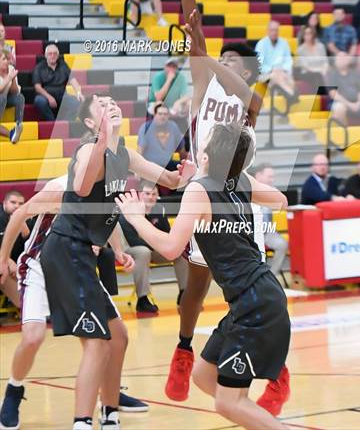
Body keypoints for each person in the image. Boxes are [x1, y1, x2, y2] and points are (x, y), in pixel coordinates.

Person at [160, 0, 290, 417]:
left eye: (234, 62)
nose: (224, 64)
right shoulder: (203, 85)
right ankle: (184, 348)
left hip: (235, 201)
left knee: (243, 282)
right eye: (222, 60)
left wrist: (208, 52)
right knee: (193, 286)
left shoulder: (248, 106)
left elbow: (222, 66)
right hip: (203, 190)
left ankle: (277, 370)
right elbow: (193, 25)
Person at [116, 124, 291, 430]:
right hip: (253, 298)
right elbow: (280, 200)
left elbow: (171, 249)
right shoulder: (239, 181)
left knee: (227, 402)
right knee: (203, 376)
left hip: (255, 304)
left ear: (208, 157)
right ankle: (256, 417)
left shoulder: (199, 190)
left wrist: (136, 219)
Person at [38, 93, 195, 430]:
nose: (111, 104)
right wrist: (103, 139)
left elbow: (169, 180)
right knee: (97, 343)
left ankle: (109, 414)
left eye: (113, 101)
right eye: (102, 105)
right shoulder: (85, 148)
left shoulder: (125, 154)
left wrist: (186, 174)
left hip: (83, 253)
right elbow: (81, 187)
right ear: (92, 123)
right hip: (65, 249)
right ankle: (82, 422)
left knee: (118, 336)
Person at [0, 176, 148, 430]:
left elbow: (107, 219)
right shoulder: (60, 190)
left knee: (115, 336)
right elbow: (18, 216)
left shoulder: (106, 186)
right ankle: (14, 390)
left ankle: (108, 393)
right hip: (39, 265)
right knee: (33, 337)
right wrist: (3, 259)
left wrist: (119, 251)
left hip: (77, 266)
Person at [119, 181, 188, 315]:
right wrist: (157, 242)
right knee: (143, 252)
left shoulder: (159, 210)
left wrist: (164, 245)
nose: (151, 197)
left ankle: (184, 294)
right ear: (139, 195)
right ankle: (143, 299)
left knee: (179, 250)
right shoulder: (129, 211)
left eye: (154, 194)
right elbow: (133, 241)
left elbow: (168, 235)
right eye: (147, 194)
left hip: (153, 251)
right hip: (130, 251)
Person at [251, 164, 288, 277]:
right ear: (258, 175)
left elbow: (283, 205)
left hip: (268, 231)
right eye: (269, 177)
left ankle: (272, 276)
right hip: (251, 232)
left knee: (283, 245)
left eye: (273, 177)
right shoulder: (248, 189)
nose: (272, 180)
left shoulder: (271, 191)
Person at [33, 44, 83, 121]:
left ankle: (65, 123)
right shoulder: (39, 67)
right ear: (46, 55)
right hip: (46, 95)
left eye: (55, 53)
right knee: (39, 101)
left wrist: (78, 93)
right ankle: (52, 122)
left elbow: (73, 81)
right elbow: (37, 87)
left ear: (58, 55)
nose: (53, 56)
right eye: (50, 54)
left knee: (78, 102)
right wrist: (49, 97)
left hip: (62, 94)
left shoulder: (63, 65)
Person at [326, 52, 360, 125]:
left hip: (358, 102)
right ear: (335, 61)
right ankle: (347, 133)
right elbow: (333, 94)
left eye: (344, 57)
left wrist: (359, 103)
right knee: (339, 108)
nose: (342, 59)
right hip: (342, 102)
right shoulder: (331, 74)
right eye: (340, 58)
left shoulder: (355, 73)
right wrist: (350, 105)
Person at [255, 20, 296, 104]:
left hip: (281, 72)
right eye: (272, 30)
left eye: (276, 30)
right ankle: (290, 94)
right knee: (275, 76)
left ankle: (284, 98)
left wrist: (283, 70)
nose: (274, 32)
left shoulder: (284, 43)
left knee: (281, 78)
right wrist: (272, 69)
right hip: (265, 74)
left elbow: (288, 60)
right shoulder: (261, 44)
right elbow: (259, 65)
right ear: (268, 31)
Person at [137, 103, 187, 171]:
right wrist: (138, 170)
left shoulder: (173, 126)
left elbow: (182, 151)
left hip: (168, 165)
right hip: (151, 166)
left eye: (165, 114)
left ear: (168, 116)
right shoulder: (146, 128)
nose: (162, 116)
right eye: (160, 114)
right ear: (154, 115)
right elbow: (140, 151)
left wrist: (185, 165)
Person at [0, 49, 24, 143]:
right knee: (2, 97)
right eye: (4, 59)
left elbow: (15, 92)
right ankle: (12, 134)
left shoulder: (10, 69)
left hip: (6, 100)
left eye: (8, 59)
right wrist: (9, 78)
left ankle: (18, 125)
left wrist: (13, 79)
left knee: (20, 97)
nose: (8, 62)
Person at [0, 190, 29, 263]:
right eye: (13, 202)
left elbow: (33, 249)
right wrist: (7, 261)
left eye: (21, 203)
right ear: (5, 203)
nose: (17, 206)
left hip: (20, 263)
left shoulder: (28, 218)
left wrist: (26, 234)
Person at [295, 26, 328, 91]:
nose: (308, 35)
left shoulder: (320, 46)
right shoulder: (301, 49)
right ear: (303, 36)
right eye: (306, 33)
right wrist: (319, 71)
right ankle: (321, 95)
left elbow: (325, 62)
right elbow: (306, 66)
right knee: (316, 76)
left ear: (313, 34)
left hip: (321, 70)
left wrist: (324, 70)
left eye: (310, 33)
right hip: (307, 72)